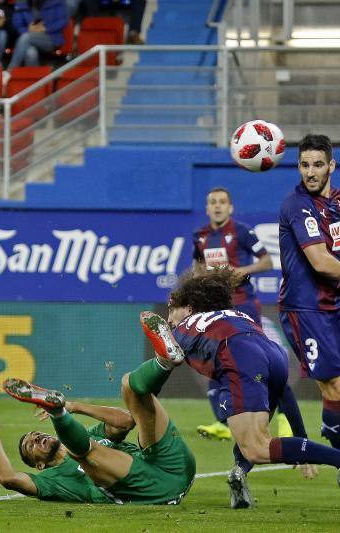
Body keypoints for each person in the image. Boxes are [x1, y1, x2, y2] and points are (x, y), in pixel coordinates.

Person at [156, 269, 340, 508]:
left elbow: (160, 365)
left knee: (257, 448)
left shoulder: (184, 328)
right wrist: (301, 438)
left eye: (172, 310)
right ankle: (239, 472)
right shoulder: (234, 315)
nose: (170, 318)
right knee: (252, 433)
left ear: (189, 308)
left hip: (238, 357)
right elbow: (284, 390)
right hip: (273, 354)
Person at [0, 348, 196, 504]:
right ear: (38, 465)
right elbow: (8, 478)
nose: (36, 438)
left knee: (130, 386)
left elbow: (126, 422)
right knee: (84, 453)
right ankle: (57, 412)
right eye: (31, 446)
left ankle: (164, 362)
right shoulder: (51, 480)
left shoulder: (90, 434)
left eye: (36, 434)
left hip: (174, 466)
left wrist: (75, 406)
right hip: (152, 490)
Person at [192, 187, 306, 444]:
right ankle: (223, 422)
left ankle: (285, 418)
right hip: (216, 310)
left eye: (223, 202)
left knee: (259, 364)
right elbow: (197, 268)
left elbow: (266, 262)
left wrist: (241, 271)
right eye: (213, 202)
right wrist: (199, 284)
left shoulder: (242, 231)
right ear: (207, 207)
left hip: (244, 308)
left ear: (230, 207)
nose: (218, 206)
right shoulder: (199, 236)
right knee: (216, 364)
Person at [278, 134, 340, 457]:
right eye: (304, 165)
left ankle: (332, 430)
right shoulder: (297, 205)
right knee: (334, 386)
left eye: (318, 164)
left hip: (335, 303)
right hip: (305, 309)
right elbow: (321, 262)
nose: (311, 172)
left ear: (331, 166)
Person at [3, 0, 68, 85]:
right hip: (29, 39)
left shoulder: (56, 1)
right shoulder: (21, 3)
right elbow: (17, 24)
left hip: (51, 38)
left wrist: (46, 28)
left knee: (26, 37)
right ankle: (34, 86)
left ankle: (10, 71)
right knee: (30, 53)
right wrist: (29, 30)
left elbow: (63, 21)